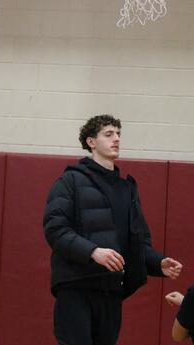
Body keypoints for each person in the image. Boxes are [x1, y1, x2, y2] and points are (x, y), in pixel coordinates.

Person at [43, 114, 183, 345]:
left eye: (118, 134)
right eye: (108, 134)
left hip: (111, 290)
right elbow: (56, 229)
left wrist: (158, 263)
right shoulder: (70, 181)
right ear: (91, 142)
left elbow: (138, 241)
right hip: (76, 287)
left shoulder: (126, 189)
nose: (116, 139)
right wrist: (93, 252)